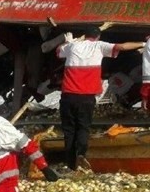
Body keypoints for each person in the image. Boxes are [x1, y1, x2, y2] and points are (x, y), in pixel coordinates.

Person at [56, 29, 144, 170]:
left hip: (68, 96)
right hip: (87, 97)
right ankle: (82, 154)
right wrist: (143, 43)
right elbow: (122, 46)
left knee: (69, 130)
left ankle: (70, 163)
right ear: (98, 36)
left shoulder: (72, 46)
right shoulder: (99, 46)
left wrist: (68, 41)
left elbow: (59, 51)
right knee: (83, 127)